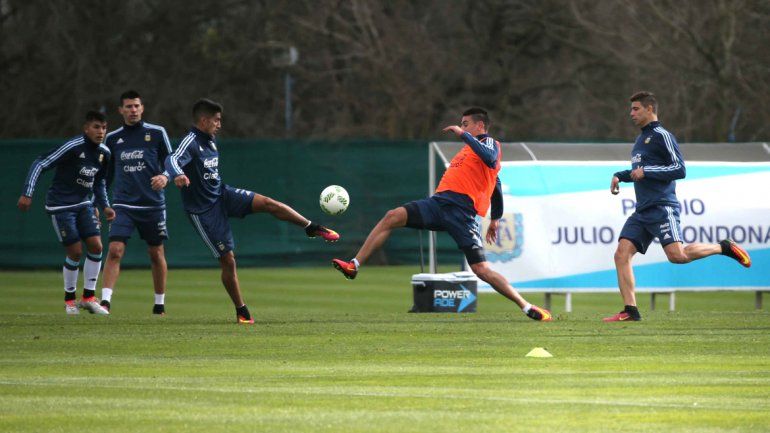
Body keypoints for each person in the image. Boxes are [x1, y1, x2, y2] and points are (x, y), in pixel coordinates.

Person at [332, 107, 553, 322]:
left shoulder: (489, 144)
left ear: (480, 125)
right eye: (462, 124)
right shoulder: (468, 151)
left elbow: (491, 163)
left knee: (481, 270)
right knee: (392, 216)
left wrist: (463, 134)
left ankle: (526, 306)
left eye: (466, 124)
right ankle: (354, 265)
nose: (461, 127)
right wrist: (495, 218)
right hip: (438, 204)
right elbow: (495, 185)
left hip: (463, 213)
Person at [163, 98, 340, 323]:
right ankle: (242, 310)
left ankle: (310, 227)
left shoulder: (211, 141)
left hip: (222, 195)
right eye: (216, 120)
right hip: (203, 210)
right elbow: (173, 159)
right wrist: (176, 174)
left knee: (268, 203)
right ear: (204, 120)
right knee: (228, 259)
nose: (219, 124)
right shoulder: (191, 141)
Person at [605, 91, 751, 322]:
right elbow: (640, 172)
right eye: (631, 109)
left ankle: (723, 247)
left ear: (650, 109)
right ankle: (630, 311)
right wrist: (620, 176)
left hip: (662, 207)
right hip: (643, 210)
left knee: (678, 256)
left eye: (636, 109)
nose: (630, 113)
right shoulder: (640, 140)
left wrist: (648, 172)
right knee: (621, 254)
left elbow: (679, 169)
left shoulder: (663, 135)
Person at [19, 111, 113, 315]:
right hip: (60, 205)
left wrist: (104, 206)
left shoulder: (104, 153)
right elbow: (40, 163)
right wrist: (28, 192)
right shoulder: (73, 146)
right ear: (86, 128)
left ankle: (88, 298)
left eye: (104, 128)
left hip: (84, 204)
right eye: (96, 127)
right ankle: (69, 300)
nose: (101, 132)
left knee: (96, 247)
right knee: (75, 252)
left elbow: (99, 182)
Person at [101, 90, 172, 315]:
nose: (133, 110)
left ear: (142, 108)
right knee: (115, 249)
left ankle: (159, 304)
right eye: (129, 107)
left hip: (152, 205)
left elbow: (172, 162)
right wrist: (100, 203)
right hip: (123, 204)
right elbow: (105, 175)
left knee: (156, 252)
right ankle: (105, 302)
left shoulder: (157, 133)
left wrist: (165, 176)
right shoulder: (112, 139)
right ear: (120, 110)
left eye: (136, 106)